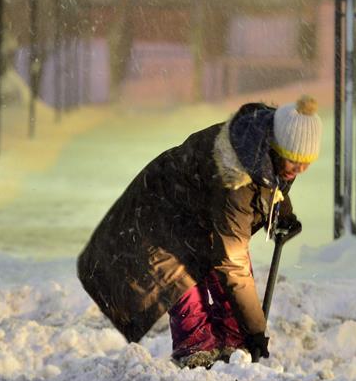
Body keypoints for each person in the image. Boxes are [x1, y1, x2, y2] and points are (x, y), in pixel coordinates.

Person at [77, 95, 321, 367]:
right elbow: (232, 265)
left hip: (201, 213)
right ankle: (196, 356)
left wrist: (282, 213)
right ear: (276, 147)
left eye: (305, 163)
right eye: (293, 161)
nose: (299, 169)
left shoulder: (267, 149)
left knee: (226, 282)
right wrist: (256, 330)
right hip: (161, 218)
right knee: (185, 286)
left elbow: (270, 184)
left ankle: (233, 346)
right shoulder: (237, 178)